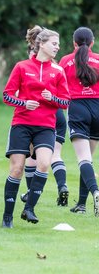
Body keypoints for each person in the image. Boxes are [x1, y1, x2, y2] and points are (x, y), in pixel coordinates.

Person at [2, 26, 70, 228]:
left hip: (46, 126)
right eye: (54, 44)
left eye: (58, 44)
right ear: (41, 44)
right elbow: (7, 95)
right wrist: (23, 103)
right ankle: (7, 217)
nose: (58, 47)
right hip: (22, 124)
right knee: (17, 169)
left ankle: (29, 208)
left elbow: (65, 102)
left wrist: (53, 98)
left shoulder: (58, 71)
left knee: (43, 164)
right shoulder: (21, 66)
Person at [20, 30, 69, 207]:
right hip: (58, 115)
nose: (56, 47)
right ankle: (62, 186)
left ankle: (30, 192)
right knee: (55, 154)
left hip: (42, 114)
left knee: (32, 156)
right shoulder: (54, 62)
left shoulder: (36, 59)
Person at [59, 27, 99, 216]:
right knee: (88, 159)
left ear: (74, 43)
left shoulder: (66, 61)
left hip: (77, 108)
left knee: (83, 159)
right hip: (98, 108)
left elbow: (58, 89)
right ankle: (81, 204)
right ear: (92, 43)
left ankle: (96, 192)